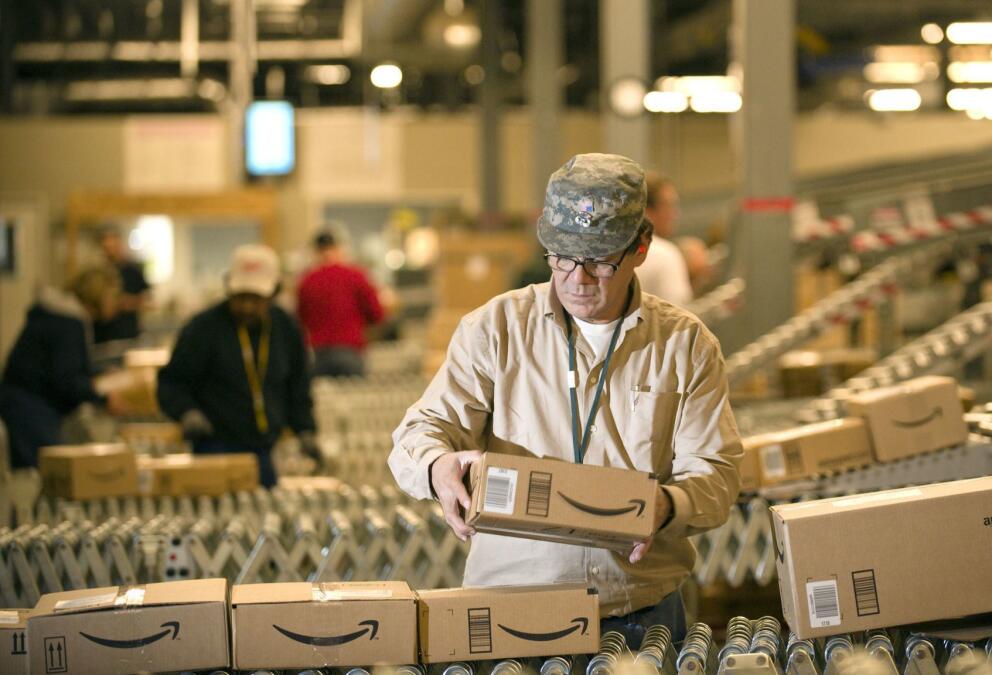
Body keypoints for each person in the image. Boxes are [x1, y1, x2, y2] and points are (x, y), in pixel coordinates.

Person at [389, 153, 742, 647]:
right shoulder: (495, 329)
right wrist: (435, 467)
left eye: (599, 260)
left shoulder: (684, 345)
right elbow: (421, 431)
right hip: (511, 610)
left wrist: (666, 506)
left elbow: (718, 474)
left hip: (638, 613)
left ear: (641, 246)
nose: (577, 278)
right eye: (562, 257)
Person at [157, 244, 321, 487]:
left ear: (273, 292)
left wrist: (305, 429)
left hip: (266, 450)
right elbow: (172, 382)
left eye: (256, 299)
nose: (247, 307)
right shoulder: (203, 328)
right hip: (214, 448)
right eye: (240, 297)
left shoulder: (286, 328)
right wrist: (186, 411)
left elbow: (298, 385)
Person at [0, 268, 129, 469]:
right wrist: (103, 394)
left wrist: (99, 376)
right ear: (99, 295)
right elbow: (66, 381)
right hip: (31, 408)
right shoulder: (67, 323)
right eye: (113, 297)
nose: (116, 304)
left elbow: (67, 366)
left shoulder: (60, 316)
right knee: (50, 476)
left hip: (25, 402)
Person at [296, 229, 385, 377]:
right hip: (350, 351)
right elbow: (376, 314)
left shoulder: (307, 281)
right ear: (339, 248)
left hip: (319, 354)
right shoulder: (356, 276)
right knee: (355, 397)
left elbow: (301, 319)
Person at [636, 173, 694, 305]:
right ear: (647, 210)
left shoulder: (614, 252)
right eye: (669, 205)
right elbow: (678, 318)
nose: (675, 213)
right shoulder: (665, 255)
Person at [93, 229, 151, 343]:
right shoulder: (98, 272)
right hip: (103, 335)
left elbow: (147, 300)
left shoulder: (133, 271)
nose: (110, 252)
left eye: (112, 247)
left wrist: (125, 303)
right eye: (106, 249)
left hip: (127, 333)